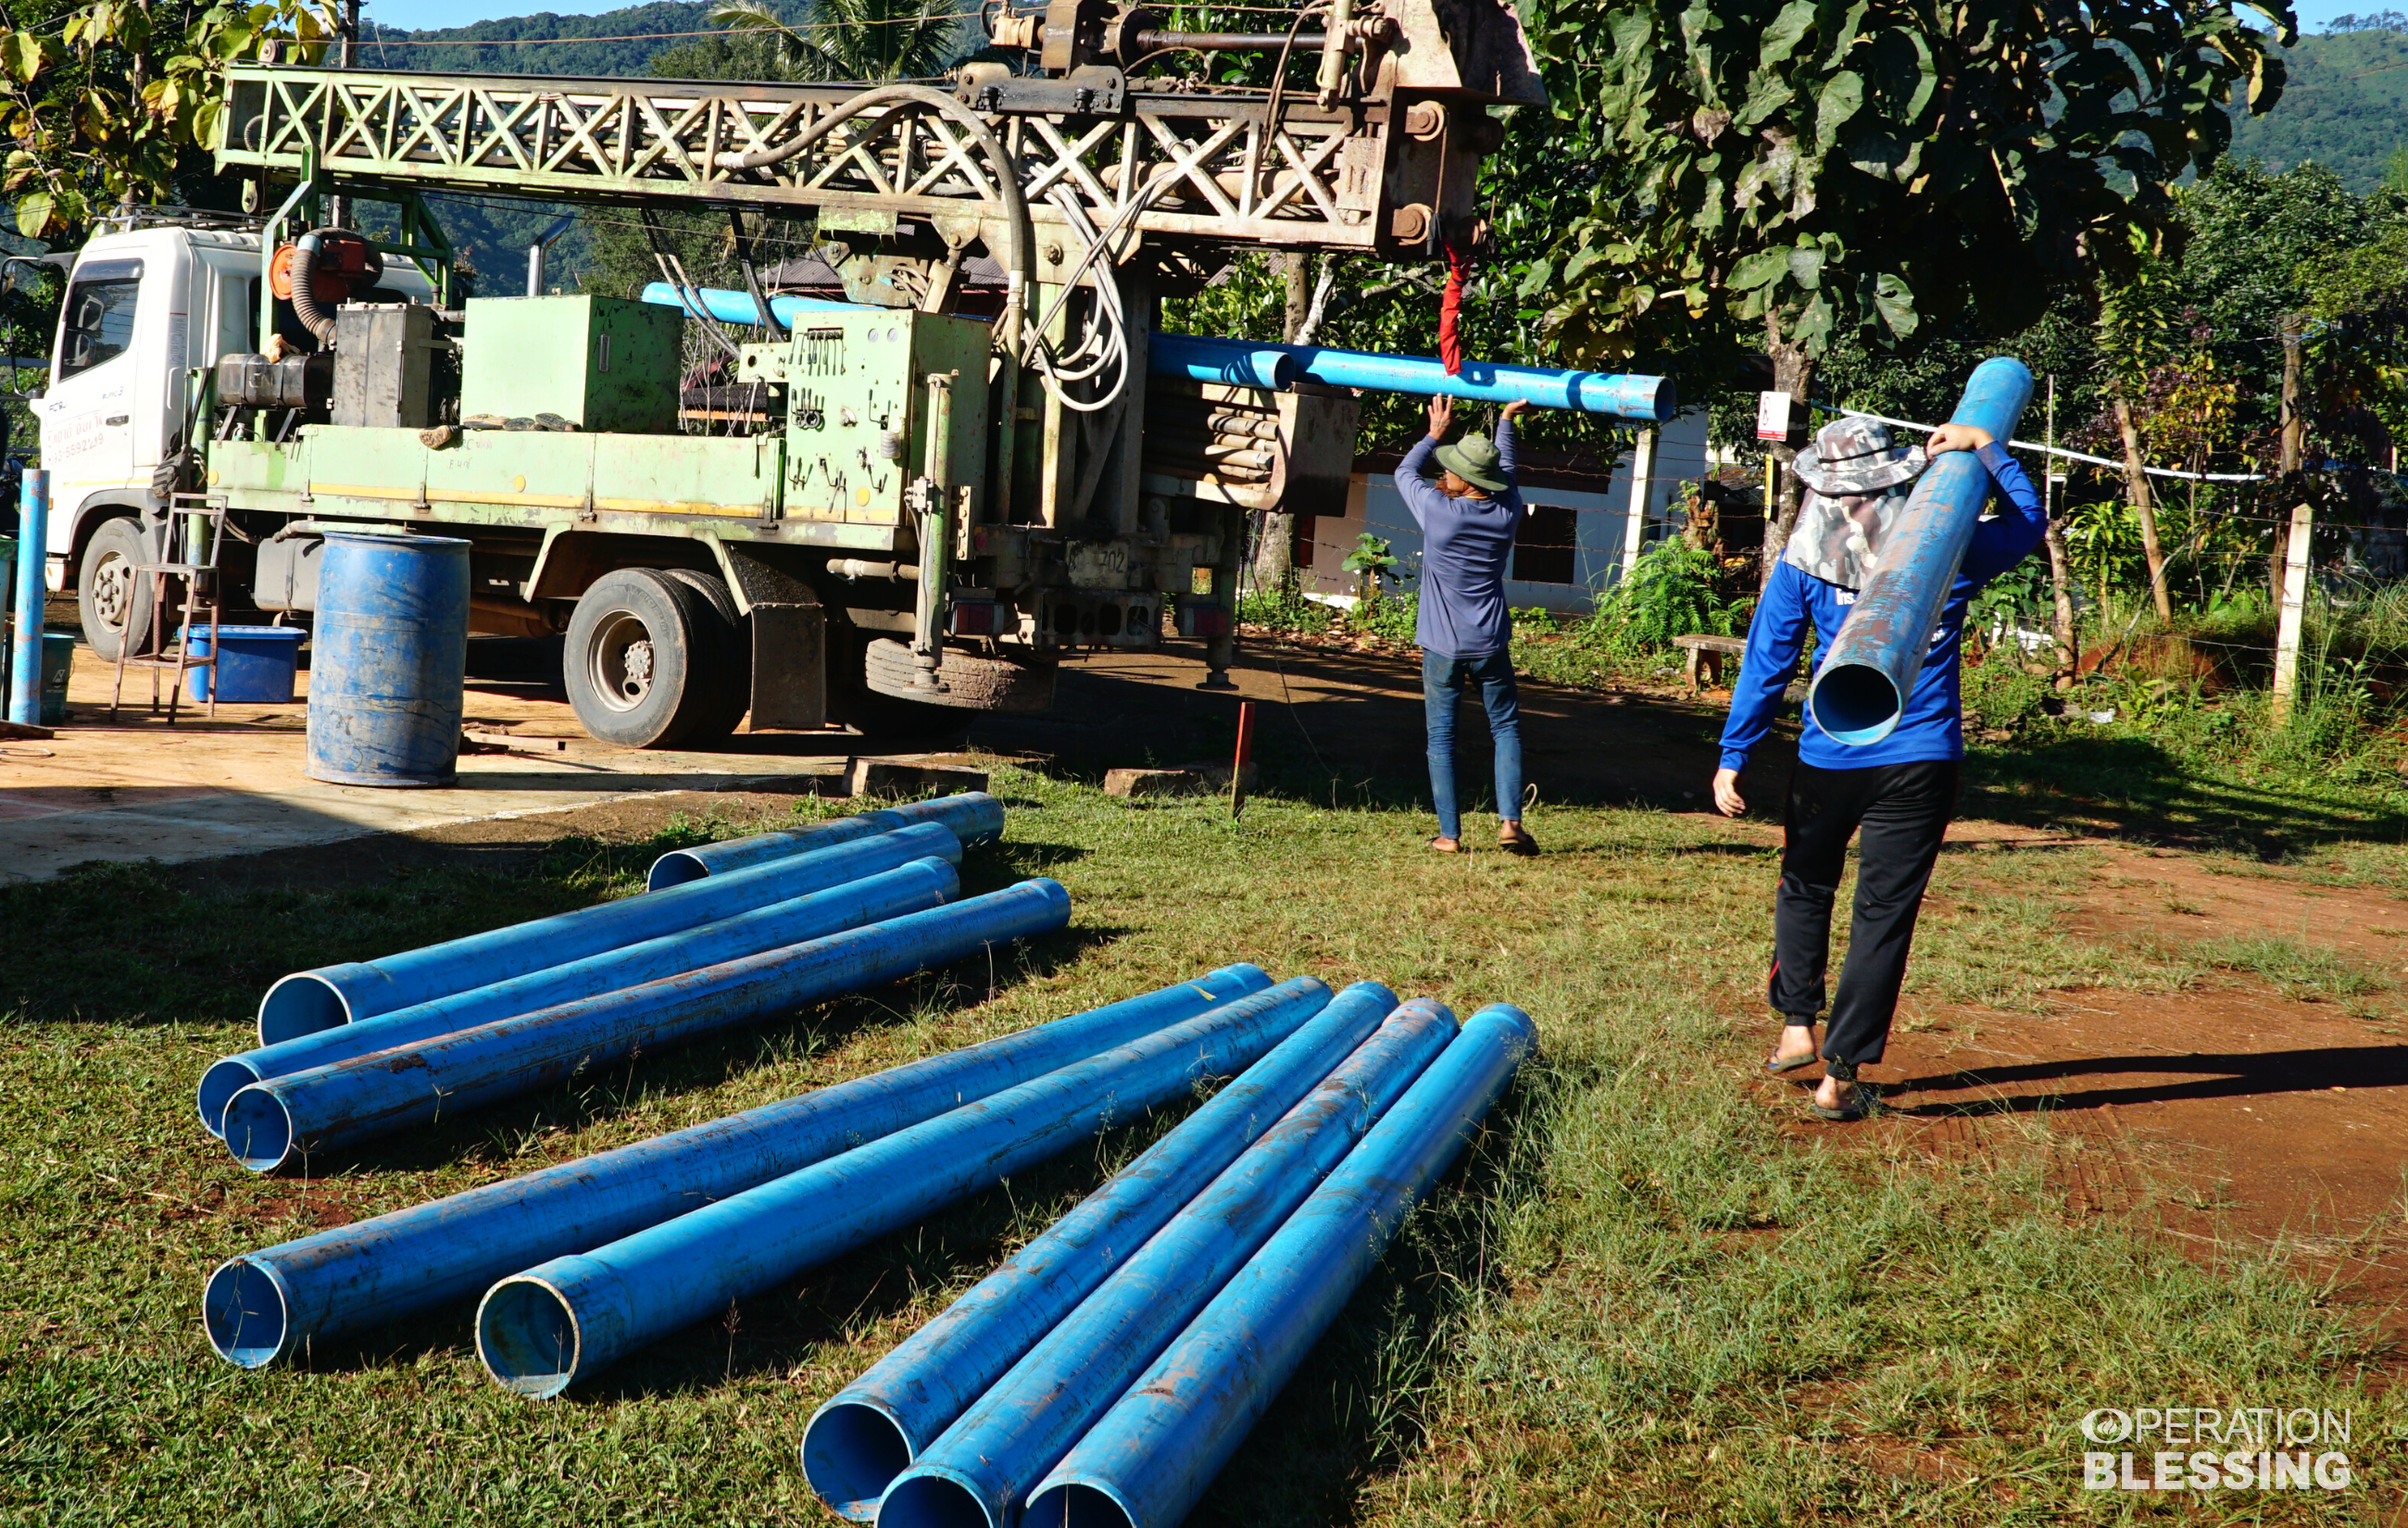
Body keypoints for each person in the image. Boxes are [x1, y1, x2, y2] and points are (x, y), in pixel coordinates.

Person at [1713, 412, 2047, 1120]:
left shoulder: (1801, 564)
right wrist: (1988, 448)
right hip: (1920, 758)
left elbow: (1767, 663)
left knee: (1805, 885)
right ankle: (1840, 1078)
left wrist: (1734, 755)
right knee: (1883, 915)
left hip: (1827, 758)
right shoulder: (1946, 546)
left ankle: (1797, 1024)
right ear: (1895, 475)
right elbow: (2027, 524)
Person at [1396, 394, 1537, 856]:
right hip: (1491, 642)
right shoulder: (1507, 510)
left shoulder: (1439, 512)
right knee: (1506, 728)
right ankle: (1510, 823)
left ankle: (1449, 835)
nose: (1444, 472)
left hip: (1442, 646)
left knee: (1441, 738)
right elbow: (1508, 471)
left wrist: (1433, 435)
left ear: (1467, 480)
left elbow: (1404, 472)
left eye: (1452, 468)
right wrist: (1506, 420)